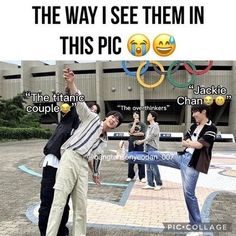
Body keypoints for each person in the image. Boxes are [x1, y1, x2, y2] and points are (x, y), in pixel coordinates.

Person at [46, 68, 123, 236]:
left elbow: (96, 159)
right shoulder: (91, 118)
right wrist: (71, 82)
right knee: (59, 201)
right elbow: (79, 101)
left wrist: (95, 173)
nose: (114, 120)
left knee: (81, 207)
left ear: (116, 126)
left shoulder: (104, 140)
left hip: (82, 166)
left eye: (117, 121)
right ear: (106, 117)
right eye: (112, 117)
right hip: (71, 156)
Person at [127, 104, 217, 230]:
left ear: (203, 112)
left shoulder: (211, 128)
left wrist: (189, 143)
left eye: (195, 112)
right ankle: (128, 156)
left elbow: (199, 145)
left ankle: (196, 225)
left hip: (192, 164)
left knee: (189, 194)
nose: (193, 115)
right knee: (156, 156)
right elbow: (183, 142)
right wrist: (190, 143)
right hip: (182, 157)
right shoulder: (193, 126)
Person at [136, 111, 162, 190]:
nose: (147, 116)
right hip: (147, 147)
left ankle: (159, 183)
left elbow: (151, 137)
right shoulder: (149, 126)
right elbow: (148, 137)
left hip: (152, 147)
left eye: (149, 115)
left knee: (154, 166)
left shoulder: (155, 126)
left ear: (153, 117)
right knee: (148, 166)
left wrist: (141, 141)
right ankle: (150, 183)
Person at [126, 111, 146, 182]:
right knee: (131, 159)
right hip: (131, 143)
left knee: (140, 159)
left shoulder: (143, 124)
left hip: (140, 143)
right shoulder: (131, 124)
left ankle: (142, 177)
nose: (135, 115)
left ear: (139, 116)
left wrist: (132, 134)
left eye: (136, 114)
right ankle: (130, 176)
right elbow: (131, 131)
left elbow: (142, 134)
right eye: (133, 114)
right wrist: (134, 123)